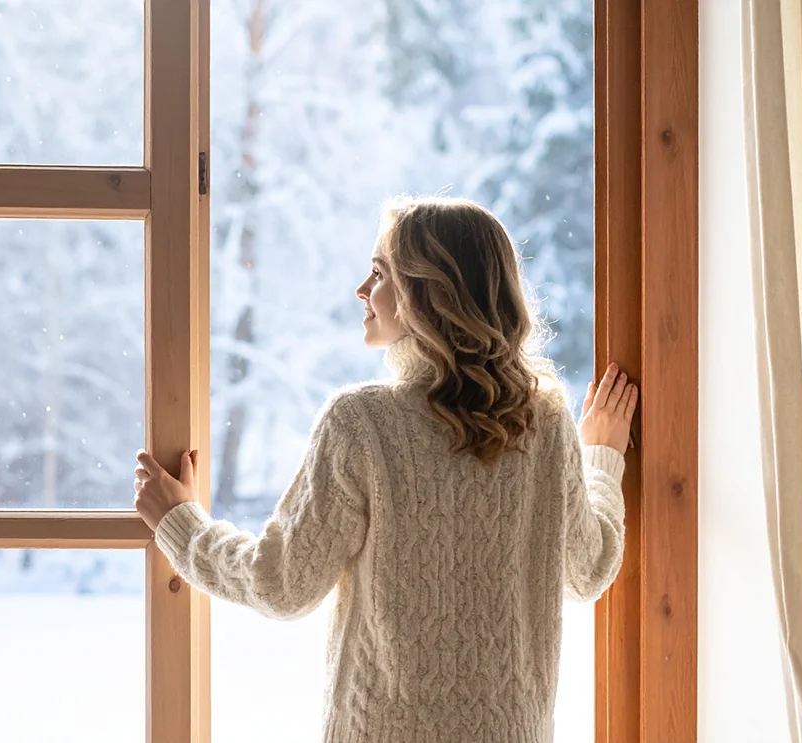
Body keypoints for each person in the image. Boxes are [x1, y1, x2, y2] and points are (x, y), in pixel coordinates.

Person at [133, 196, 637, 743]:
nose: (360, 290)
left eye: (379, 272)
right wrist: (603, 460)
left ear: (430, 292)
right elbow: (588, 570)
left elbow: (281, 584)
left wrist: (181, 525)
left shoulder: (361, 424)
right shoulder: (545, 420)